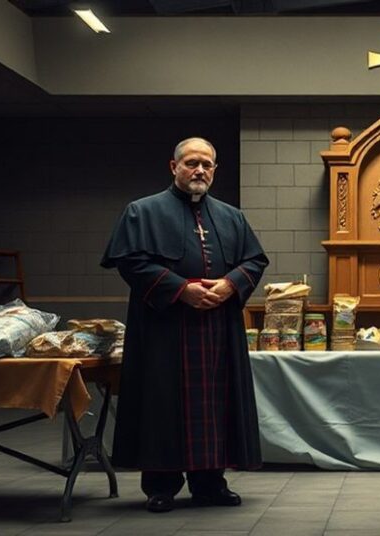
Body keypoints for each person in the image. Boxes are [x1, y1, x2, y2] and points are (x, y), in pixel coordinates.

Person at [101, 137, 269, 513]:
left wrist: (230, 285)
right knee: (162, 403)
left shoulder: (231, 216)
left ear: (215, 170)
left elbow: (255, 260)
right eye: (192, 163)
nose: (200, 170)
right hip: (164, 327)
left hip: (217, 328)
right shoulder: (141, 211)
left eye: (207, 164)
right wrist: (181, 290)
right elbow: (130, 261)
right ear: (174, 166)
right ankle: (161, 486)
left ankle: (210, 483)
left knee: (215, 405)